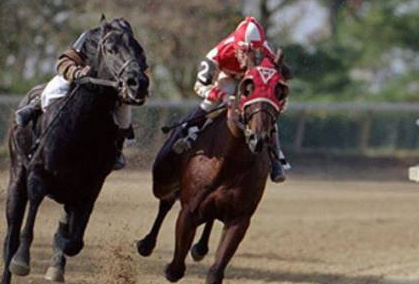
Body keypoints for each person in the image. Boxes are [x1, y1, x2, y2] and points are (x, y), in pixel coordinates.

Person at [14, 19, 147, 170]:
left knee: (124, 117)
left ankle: (116, 152)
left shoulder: (131, 46)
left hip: (110, 89)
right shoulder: (90, 37)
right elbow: (64, 61)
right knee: (56, 88)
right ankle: (35, 106)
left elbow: (142, 71)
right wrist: (76, 72)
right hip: (79, 81)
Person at [169, 16, 288, 183]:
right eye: (246, 53)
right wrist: (223, 96)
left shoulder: (267, 52)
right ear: (236, 48)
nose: (252, 58)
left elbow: (279, 84)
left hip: (254, 82)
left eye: (255, 53)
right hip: (228, 79)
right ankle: (187, 132)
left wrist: (279, 101)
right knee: (216, 97)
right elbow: (200, 86)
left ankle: (276, 158)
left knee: (263, 107)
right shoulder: (218, 53)